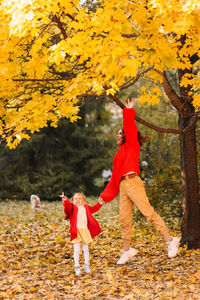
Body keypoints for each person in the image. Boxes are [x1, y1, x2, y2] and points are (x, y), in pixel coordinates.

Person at [99, 98, 180, 264]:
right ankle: (127, 250)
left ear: (127, 136)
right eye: (118, 133)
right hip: (123, 185)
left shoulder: (132, 145)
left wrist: (128, 111)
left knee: (148, 213)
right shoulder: (119, 154)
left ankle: (170, 240)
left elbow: (129, 128)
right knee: (124, 219)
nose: (118, 135)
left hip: (133, 182)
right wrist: (104, 196)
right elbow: (115, 177)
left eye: (120, 133)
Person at [59, 192, 103, 275]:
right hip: (76, 231)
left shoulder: (86, 208)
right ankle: (77, 266)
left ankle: (87, 265)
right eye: (75, 199)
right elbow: (67, 206)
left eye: (80, 198)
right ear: (73, 200)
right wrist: (65, 200)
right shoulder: (72, 208)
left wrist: (99, 203)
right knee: (77, 249)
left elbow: (94, 209)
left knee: (85, 249)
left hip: (85, 230)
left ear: (84, 200)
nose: (77, 200)